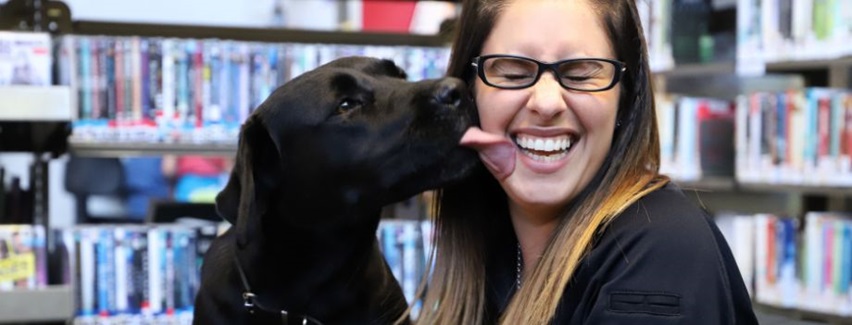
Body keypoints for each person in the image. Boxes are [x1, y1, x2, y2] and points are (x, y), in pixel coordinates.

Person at [414, 0, 759, 324]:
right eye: (514, 72)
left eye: (580, 74)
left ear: (625, 99)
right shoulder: (492, 242)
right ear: (468, 91)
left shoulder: (659, 252)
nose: (546, 103)